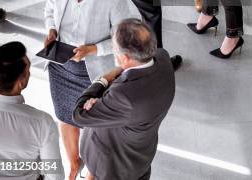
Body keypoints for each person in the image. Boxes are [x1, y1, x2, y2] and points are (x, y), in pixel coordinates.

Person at [43, 0, 140, 180]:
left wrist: (93, 49)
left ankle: (93, 172)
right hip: (61, 66)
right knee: (65, 116)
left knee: (97, 126)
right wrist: (52, 29)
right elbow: (48, 10)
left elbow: (126, 40)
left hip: (94, 72)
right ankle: (74, 164)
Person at [73, 19, 175, 180]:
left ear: (125, 57)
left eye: (114, 49)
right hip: (140, 151)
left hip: (114, 164)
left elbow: (79, 115)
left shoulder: (124, 97)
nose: (113, 51)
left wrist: (104, 79)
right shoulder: (163, 58)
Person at [0, 41, 64, 180]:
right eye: (28, 71)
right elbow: (55, 176)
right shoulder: (42, 122)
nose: (29, 73)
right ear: (20, 83)